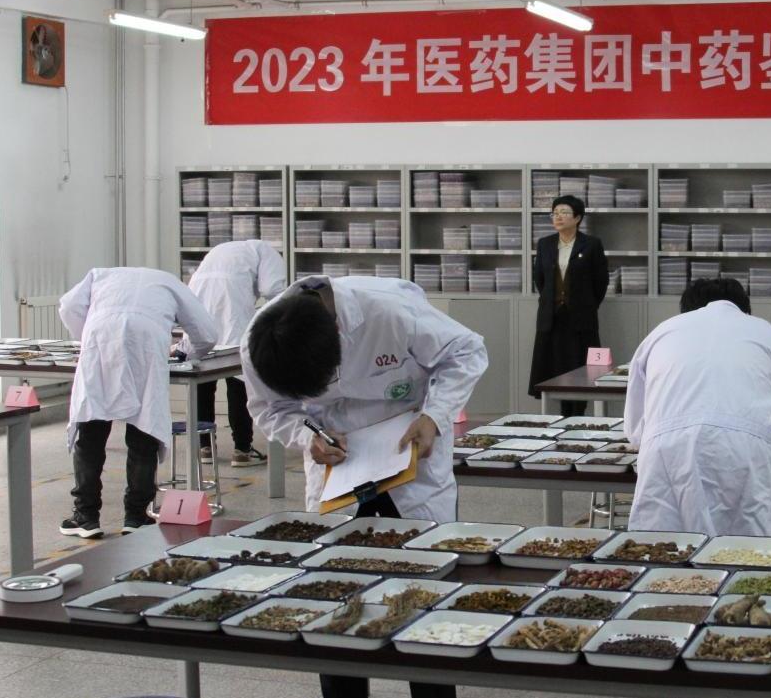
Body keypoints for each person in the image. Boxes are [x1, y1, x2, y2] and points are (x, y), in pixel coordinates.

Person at [242, 274, 486, 698]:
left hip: (412, 452)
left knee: (423, 596)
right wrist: (307, 435)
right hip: (338, 466)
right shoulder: (261, 343)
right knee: (335, 597)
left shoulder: (388, 311)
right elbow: (271, 409)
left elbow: (467, 351)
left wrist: (434, 416)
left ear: (339, 335)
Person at [625, 278, 771, 537]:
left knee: (663, 550)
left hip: (666, 453)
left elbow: (636, 429)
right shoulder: (765, 333)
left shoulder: (661, 332)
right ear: (745, 310)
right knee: (750, 552)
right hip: (745, 454)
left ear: (686, 310)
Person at [57, 267, 219, 538]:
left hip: (100, 340)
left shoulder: (100, 275)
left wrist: (87, 335)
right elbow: (207, 333)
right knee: (144, 431)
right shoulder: (169, 282)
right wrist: (186, 353)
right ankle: (135, 517)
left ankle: (86, 517)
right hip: (145, 345)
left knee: (91, 431)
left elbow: (69, 307)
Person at [185, 239, 287, 468]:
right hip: (233, 309)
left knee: (203, 381)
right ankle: (242, 449)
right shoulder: (267, 251)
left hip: (200, 303)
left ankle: (205, 447)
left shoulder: (224, 249)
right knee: (238, 380)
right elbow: (273, 290)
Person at [528, 194, 609, 416]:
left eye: (564, 213)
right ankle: (562, 414)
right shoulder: (545, 244)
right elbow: (540, 280)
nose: (558, 217)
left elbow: (600, 282)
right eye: (555, 213)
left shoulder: (591, 244)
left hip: (580, 318)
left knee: (579, 366)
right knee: (554, 366)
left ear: (578, 218)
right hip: (552, 318)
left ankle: (578, 413)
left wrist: (587, 305)